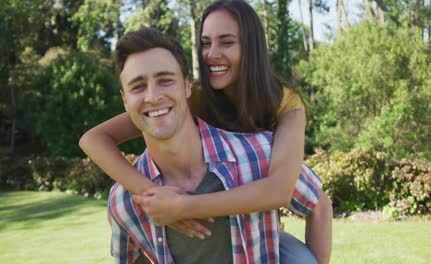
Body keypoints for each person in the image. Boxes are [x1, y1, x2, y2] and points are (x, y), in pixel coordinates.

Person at [80, 0, 331, 262]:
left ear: (251, 48)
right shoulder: (191, 96)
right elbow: (94, 139)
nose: (212, 54)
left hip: (255, 220)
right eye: (206, 43)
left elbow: (281, 191)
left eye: (226, 42)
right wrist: (148, 193)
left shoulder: (284, 105)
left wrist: (183, 208)